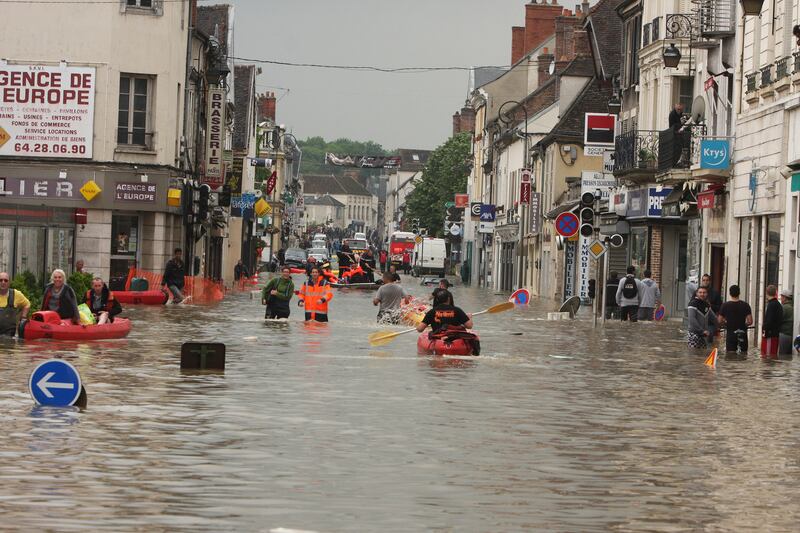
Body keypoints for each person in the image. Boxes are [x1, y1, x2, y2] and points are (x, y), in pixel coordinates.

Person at [718, 285, 753, 355]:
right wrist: (743, 325)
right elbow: (750, 321)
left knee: (730, 355)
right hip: (742, 334)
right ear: (739, 293)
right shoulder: (745, 305)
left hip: (731, 335)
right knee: (743, 355)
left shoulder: (725, 305)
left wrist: (726, 324)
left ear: (730, 293)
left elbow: (719, 320)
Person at [0, 272, 30, 336]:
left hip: (9, 335)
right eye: (1, 280)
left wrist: (23, 317)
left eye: (5, 280)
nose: (3, 282)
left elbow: (27, 304)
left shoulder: (15, 294)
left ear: (9, 283)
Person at [762, 284, 783, 358]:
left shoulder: (771, 305)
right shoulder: (778, 304)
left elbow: (769, 321)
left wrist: (764, 331)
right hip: (775, 334)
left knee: (767, 357)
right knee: (773, 355)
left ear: (766, 293)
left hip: (769, 335)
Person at [779, 289, 794, 357]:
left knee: (782, 356)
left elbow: (779, 320)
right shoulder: (793, 307)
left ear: (785, 298)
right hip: (791, 334)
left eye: (781, 297)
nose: (781, 298)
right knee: (788, 357)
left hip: (784, 334)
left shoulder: (784, 308)